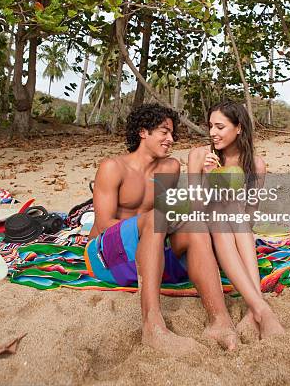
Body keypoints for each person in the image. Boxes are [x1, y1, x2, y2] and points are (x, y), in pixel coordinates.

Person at [85, 103, 237, 354]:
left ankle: (219, 320)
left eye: (172, 134)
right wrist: (157, 221)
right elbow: (103, 223)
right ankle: (152, 326)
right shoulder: (113, 167)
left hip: (146, 254)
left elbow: (168, 216)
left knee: (193, 225)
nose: (171, 139)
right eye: (164, 132)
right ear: (143, 132)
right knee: (158, 217)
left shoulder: (170, 167)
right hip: (105, 257)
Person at [188, 99, 285, 340]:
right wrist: (210, 179)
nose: (212, 133)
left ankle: (255, 311)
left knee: (233, 213)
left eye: (219, 127)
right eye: (210, 126)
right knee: (223, 211)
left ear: (238, 128)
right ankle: (261, 308)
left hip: (237, 234)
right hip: (203, 228)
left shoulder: (255, 165)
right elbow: (194, 208)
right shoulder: (200, 156)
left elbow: (251, 214)